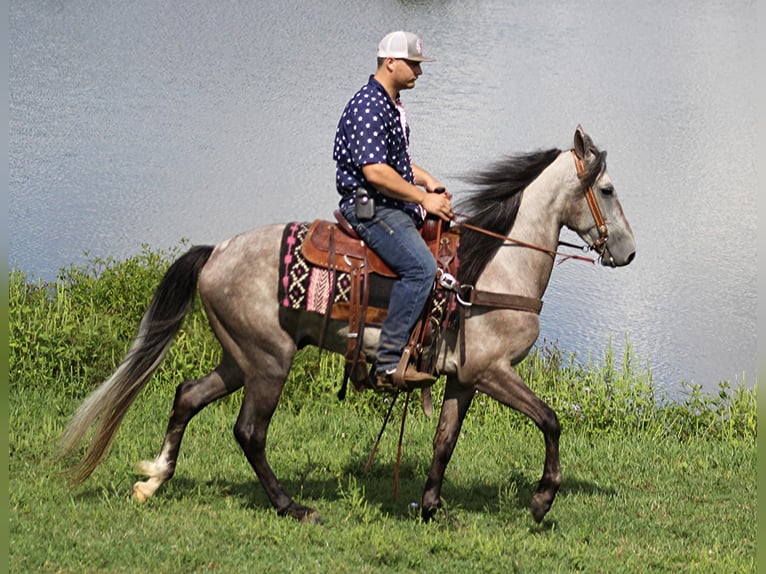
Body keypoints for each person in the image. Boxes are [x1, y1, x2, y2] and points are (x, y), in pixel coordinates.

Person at [333, 30, 454, 389]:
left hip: (390, 201)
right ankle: (386, 363)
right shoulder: (369, 106)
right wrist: (423, 199)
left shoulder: (391, 102)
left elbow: (397, 164)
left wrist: (427, 179)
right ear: (391, 62)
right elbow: (375, 172)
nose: (419, 71)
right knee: (421, 268)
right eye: (413, 64)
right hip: (370, 208)